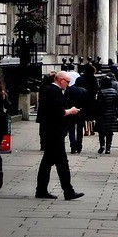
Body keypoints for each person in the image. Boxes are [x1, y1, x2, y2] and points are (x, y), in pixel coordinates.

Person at [36, 71, 84, 201]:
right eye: (67, 82)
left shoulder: (48, 90)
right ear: (60, 80)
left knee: (47, 162)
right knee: (62, 163)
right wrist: (71, 111)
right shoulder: (54, 91)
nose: (68, 85)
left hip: (50, 132)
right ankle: (68, 191)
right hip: (54, 132)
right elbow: (57, 112)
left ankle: (41, 189)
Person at [63, 69, 91, 154]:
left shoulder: (69, 89)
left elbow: (65, 101)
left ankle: (73, 146)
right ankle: (79, 146)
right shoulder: (85, 91)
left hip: (71, 111)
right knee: (80, 130)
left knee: (71, 129)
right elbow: (87, 103)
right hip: (80, 112)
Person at [94, 75, 118, 154]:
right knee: (110, 132)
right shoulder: (114, 92)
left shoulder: (101, 92)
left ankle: (102, 145)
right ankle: (108, 148)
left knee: (101, 131)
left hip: (102, 114)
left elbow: (98, 104)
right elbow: (116, 104)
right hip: (112, 114)